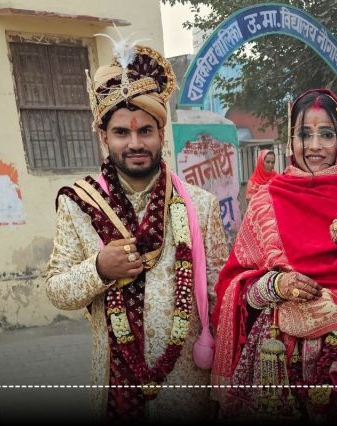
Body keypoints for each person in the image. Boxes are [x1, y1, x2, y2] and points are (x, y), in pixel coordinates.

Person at [45, 38, 228, 423]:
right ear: (103, 137)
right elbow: (57, 290)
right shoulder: (78, 204)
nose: (135, 143)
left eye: (145, 130)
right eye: (121, 133)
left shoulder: (200, 204)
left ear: (161, 133)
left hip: (187, 385)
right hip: (113, 384)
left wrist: (223, 383)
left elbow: (221, 298)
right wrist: (98, 269)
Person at [211, 88, 337, 423]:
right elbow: (235, 288)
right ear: (292, 140)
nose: (316, 146)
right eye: (305, 134)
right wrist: (275, 285)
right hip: (276, 358)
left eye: (326, 134)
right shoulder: (266, 201)